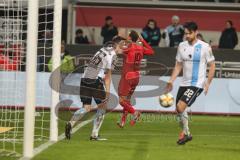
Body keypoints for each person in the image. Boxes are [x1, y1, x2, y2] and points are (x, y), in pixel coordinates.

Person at [65, 36, 125, 141]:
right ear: (118, 45)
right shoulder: (113, 56)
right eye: (123, 45)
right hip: (95, 80)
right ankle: (94, 135)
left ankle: (70, 123)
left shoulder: (103, 49)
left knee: (86, 108)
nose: (124, 47)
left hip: (84, 79)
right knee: (102, 107)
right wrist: (107, 93)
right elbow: (107, 76)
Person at [165, 21, 215, 145]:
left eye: (189, 33)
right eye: (185, 33)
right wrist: (171, 81)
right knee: (179, 111)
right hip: (184, 83)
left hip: (197, 84)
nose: (187, 36)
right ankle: (185, 132)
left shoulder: (205, 47)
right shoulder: (181, 46)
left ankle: (186, 134)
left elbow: (212, 65)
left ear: (196, 32)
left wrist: (208, 82)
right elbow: (178, 66)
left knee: (180, 107)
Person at [117, 30, 154, 128]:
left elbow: (118, 50)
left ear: (129, 38)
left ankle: (135, 113)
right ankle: (123, 121)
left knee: (121, 101)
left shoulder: (129, 46)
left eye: (127, 36)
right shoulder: (140, 47)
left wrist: (120, 41)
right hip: (136, 77)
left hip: (127, 77)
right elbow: (151, 51)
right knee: (127, 100)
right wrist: (143, 40)